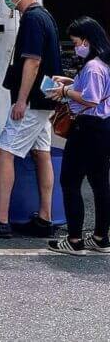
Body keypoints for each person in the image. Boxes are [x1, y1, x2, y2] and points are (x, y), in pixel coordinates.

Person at [0, 0, 61, 239]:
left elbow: (32, 62)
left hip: (33, 101)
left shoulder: (33, 19)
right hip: (45, 100)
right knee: (41, 153)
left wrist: (21, 99)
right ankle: (44, 217)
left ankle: (0, 219)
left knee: (4, 153)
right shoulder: (45, 16)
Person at [46, 17, 110, 256]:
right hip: (103, 128)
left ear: (87, 40)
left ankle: (74, 240)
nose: (75, 48)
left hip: (87, 129)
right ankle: (101, 237)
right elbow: (96, 91)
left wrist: (63, 91)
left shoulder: (93, 66)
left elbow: (91, 98)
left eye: (75, 42)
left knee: (70, 182)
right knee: (100, 184)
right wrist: (72, 82)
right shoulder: (104, 62)